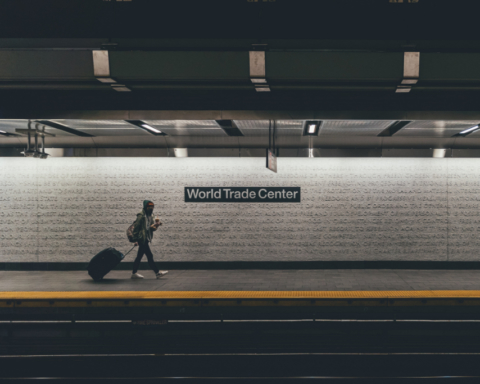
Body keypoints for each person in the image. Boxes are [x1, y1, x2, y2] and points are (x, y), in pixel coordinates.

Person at [131, 200, 168, 279]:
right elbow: (136, 228)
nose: (151, 208)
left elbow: (151, 229)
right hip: (142, 239)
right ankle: (157, 272)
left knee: (139, 256)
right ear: (145, 207)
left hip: (146, 239)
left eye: (152, 206)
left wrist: (156, 225)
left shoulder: (150, 216)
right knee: (149, 256)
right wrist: (135, 240)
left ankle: (134, 273)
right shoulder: (141, 216)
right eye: (149, 206)